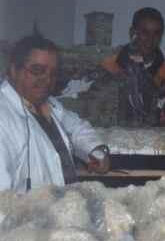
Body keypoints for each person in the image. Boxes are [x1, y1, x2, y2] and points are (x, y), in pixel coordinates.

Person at [0, 35, 110, 192]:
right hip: (29, 208)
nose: (46, 79)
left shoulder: (46, 103)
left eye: (52, 73)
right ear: (13, 70)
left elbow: (75, 126)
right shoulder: (4, 117)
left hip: (61, 203)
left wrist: (95, 151)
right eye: (37, 70)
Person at [102, 7, 165, 126]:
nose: (150, 39)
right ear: (132, 32)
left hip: (151, 133)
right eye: (145, 32)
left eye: (156, 33)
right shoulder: (112, 62)